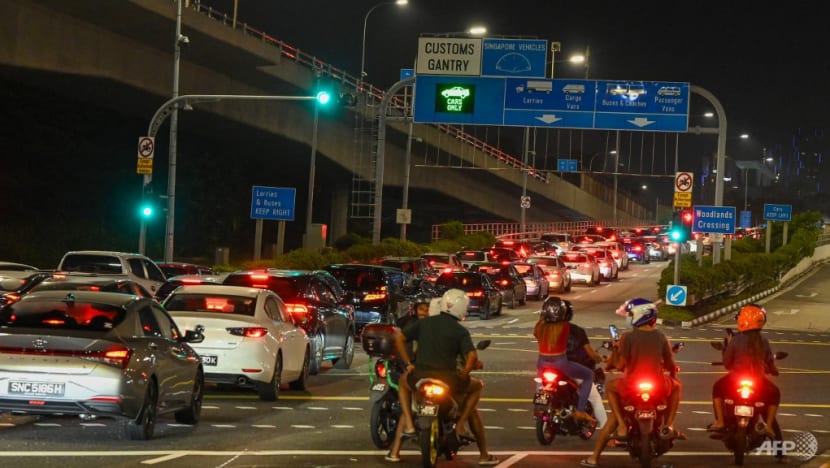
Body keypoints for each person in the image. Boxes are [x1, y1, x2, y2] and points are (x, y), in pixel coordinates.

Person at [386, 288, 499, 465]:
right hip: (449, 382)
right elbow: (472, 357)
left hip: (419, 377)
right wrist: (465, 373)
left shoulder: (425, 324)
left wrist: (409, 364)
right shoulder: (460, 331)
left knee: (403, 384)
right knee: (477, 387)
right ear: (461, 308)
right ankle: (463, 428)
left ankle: (407, 426)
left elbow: (399, 337)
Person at [581, 298, 682, 468]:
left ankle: (600, 451)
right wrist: (673, 376)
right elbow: (670, 364)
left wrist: (615, 349)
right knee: (677, 387)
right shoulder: (661, 336)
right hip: (658, 385)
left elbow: (619, 365)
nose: (629, 316)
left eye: (630, 313)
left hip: (631, 385)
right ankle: (669, 425)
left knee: (610, 390)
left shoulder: (627, 337)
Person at [707, 303, 779, 438]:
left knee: (717, 387)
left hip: (735, 380)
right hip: (758, 382)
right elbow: (770, 363)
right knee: (775, 394)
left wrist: (727, 347)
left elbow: (727, 364)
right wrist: (774, 371)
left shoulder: (735, 340)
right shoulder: (764, 341)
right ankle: (768, 426)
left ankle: (721, 421)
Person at [534, 296, 597, 425]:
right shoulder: (565, 327)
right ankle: (580, 410)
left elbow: (538, 331)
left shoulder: (539, 327)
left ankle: (539, 406)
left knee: (541, 382)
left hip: (542, 363)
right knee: (589, 375)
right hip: (560, 364)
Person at [563, 299, 608, 431]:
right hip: (573, 369)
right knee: (596, 399)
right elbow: (590, 353)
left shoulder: (548, 330)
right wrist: (598, 358)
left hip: (550, 367)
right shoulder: (577, 331)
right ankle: (606, 432)